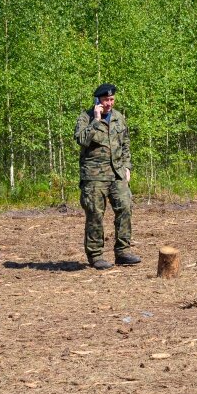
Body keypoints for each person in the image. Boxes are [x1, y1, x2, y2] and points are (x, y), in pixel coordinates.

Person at [74, 83, 141, 269]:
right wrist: (96, 120)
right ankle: (96, 256)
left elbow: (125, 144)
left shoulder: (119, 118)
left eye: (111, 99)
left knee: (125, 208)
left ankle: (123, 252)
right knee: (95, 214)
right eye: (105, 100)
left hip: (117, 173)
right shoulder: (85, 117)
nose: (109, 103)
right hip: (94, 176)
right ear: (97, 100)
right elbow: (81, 140)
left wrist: (127, 167)